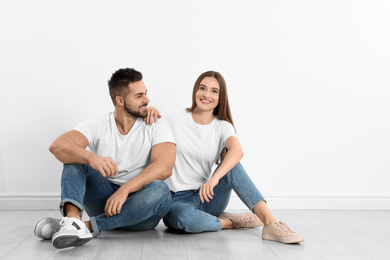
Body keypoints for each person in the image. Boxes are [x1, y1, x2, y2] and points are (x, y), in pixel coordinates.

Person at [153, 71, 304, 244]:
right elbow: (145, 123)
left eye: (214, 91)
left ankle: (271, 223)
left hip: (206, 196)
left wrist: (214, 179)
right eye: (202, 88)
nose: (206, 95)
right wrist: (149, 110)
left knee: (233, 165)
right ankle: (230, 222)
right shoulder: (174, 117)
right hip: (175, 200)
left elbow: (237, 150)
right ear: (196, 90)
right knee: (178, 218)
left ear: (220, 97)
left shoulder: (222, 126)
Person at [33, 68, 176, 249]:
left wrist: (125, 190)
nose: (147, 100)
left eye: (146, 94)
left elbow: (165, 167)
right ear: (120, 100)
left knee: (161, 190)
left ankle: (84, 227)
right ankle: (72, 221)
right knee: (76, 158)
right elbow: (58, 146)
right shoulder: (99, 125)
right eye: (139, 96)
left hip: (142, 210)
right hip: (106, 203)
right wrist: (92, 158)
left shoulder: (156, 123)